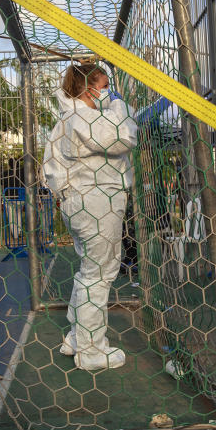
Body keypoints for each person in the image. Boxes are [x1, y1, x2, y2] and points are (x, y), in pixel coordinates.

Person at [42, 63, 138, 371]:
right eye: (105, 86)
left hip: (82, 202)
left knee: (89, 271)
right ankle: (92, 350)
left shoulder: (68, 118)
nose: (107, 92)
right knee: (100, 274)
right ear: (89, 88)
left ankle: (76, 337)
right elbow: (124, 137)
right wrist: (119, 103)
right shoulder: (83, 117)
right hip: (97, 201)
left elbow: (51, 168)